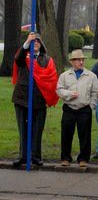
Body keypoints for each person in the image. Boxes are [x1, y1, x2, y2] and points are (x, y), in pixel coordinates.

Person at [11, 31, 59, 167]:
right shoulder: (23, 57)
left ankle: (36, 156)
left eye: (37, 41)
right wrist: (26, 42)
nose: (35, 43)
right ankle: (23, 156)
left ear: (41, 43)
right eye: (32, 41)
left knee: (37, 130)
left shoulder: (47, 59)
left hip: (39, 100)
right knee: (23, 128)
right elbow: (17, 59)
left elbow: (51, 79)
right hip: (22, 98)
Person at [56, 49, 98, 167]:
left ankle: (83, 159)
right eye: (78, 60)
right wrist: (69, 94)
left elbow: (95, 93)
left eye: (82, 60)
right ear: (72, 62)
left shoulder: (91, 76)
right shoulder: (64, 76)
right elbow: (59, 90)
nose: (81, 62)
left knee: (84, 135)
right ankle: (65, 158)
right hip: (69, 108)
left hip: (84, 109)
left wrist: (91, 106)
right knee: (66, 134)